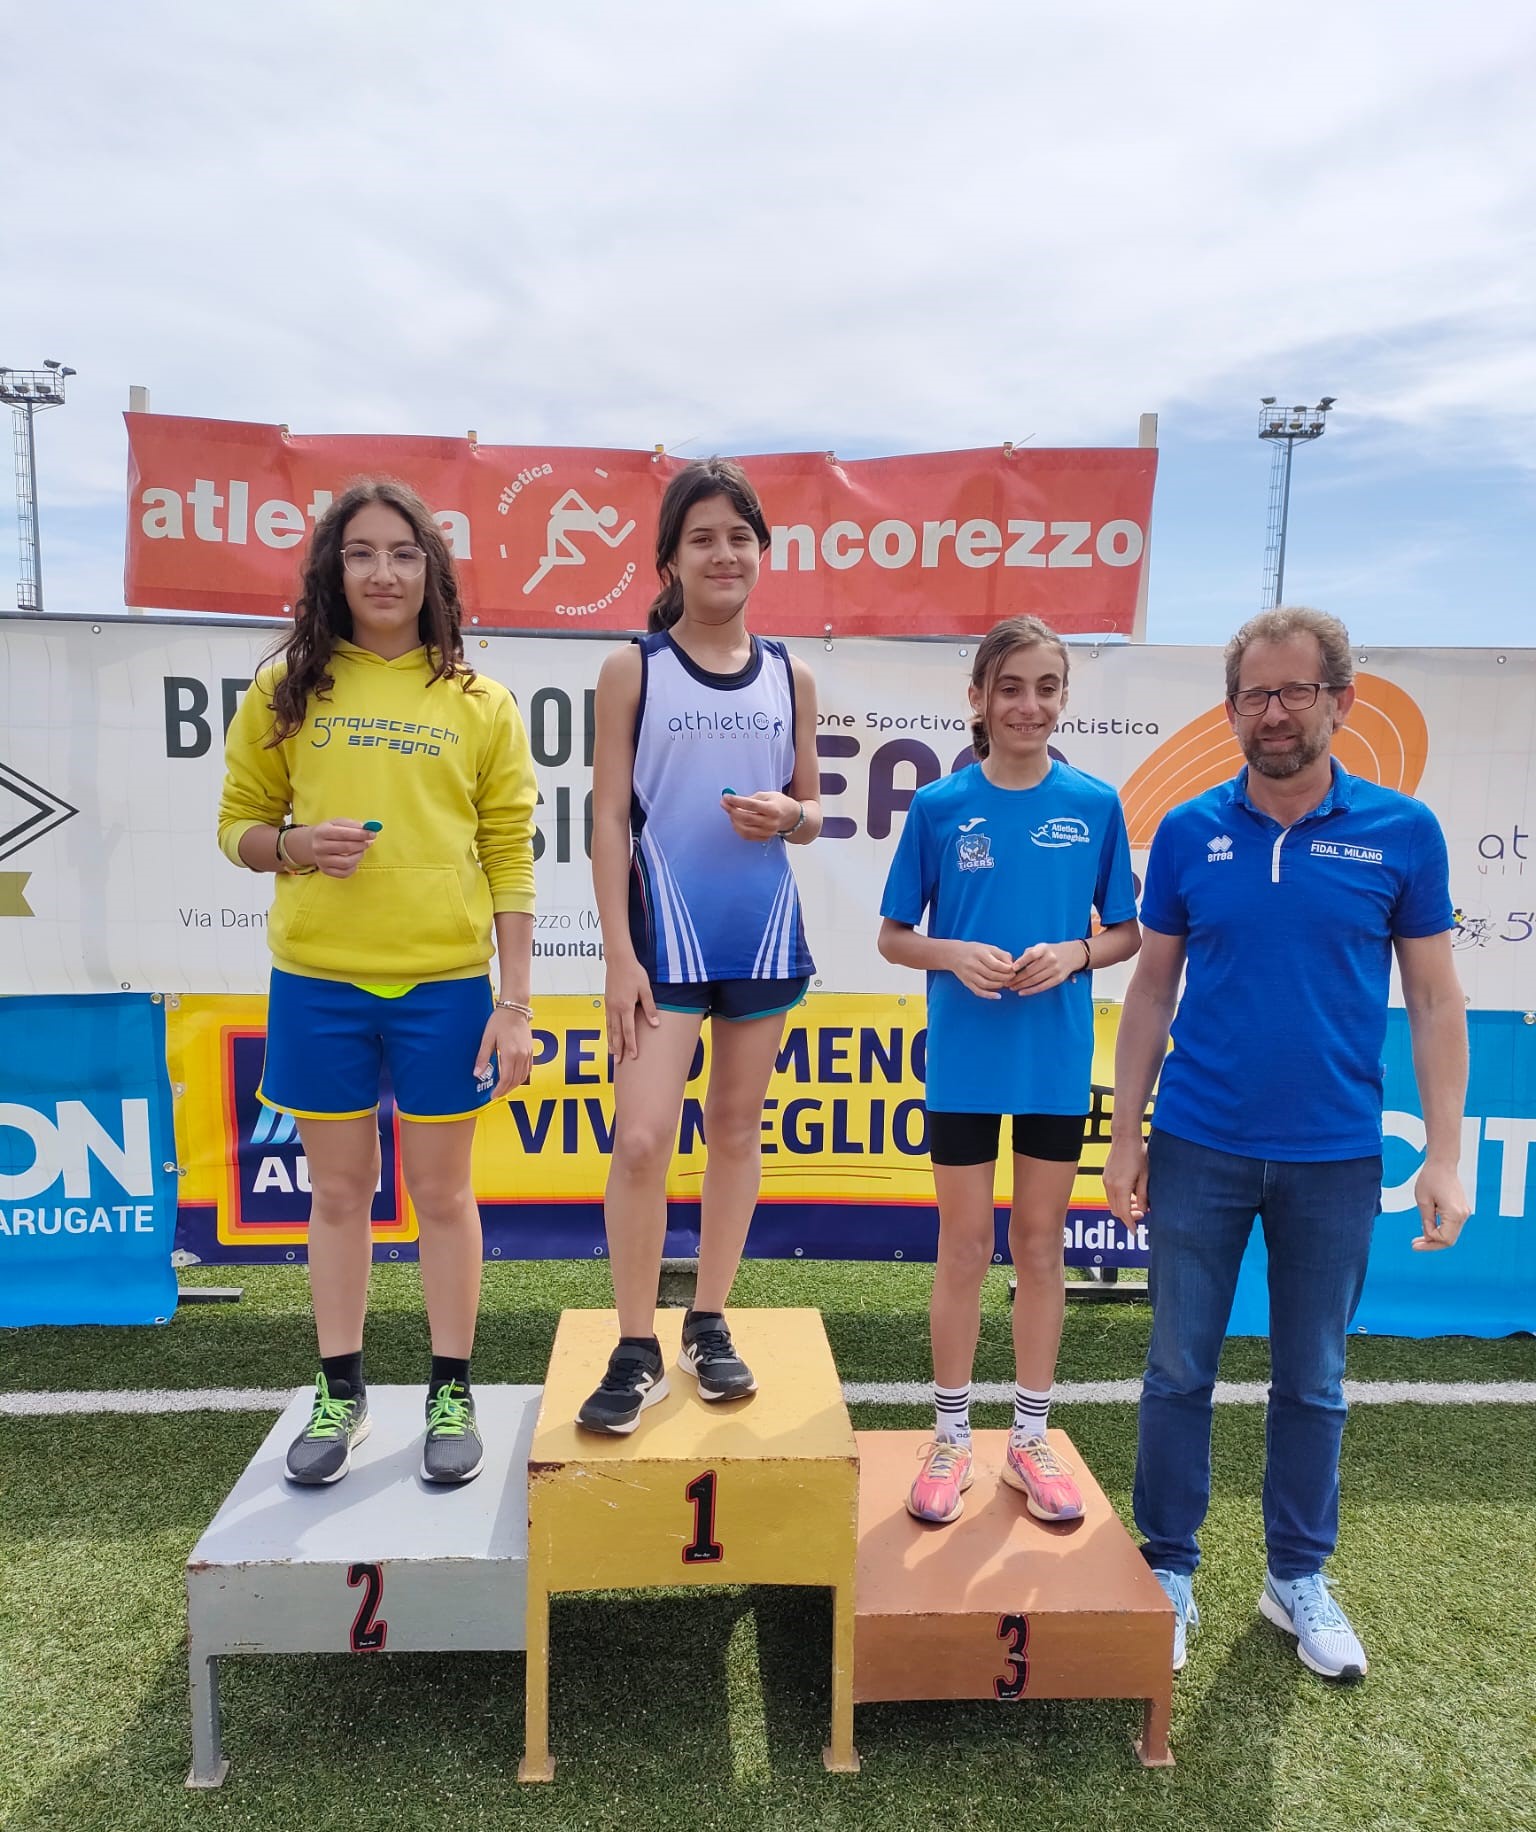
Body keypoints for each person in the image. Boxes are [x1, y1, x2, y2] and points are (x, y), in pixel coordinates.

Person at [1104, 606, 1470, 1679]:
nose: (1273, 712)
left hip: (1336, 1155)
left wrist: (1444, 1154)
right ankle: (1168, 1567)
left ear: (1339, 701)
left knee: (1313, 1379)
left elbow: (1436, 999)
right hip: (1199, 1144)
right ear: (1231, 710)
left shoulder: (1403, 831)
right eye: (1253, 695)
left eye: (1294, 691)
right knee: (1178, 1369)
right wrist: (1126, 1135)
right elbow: (1151, 990)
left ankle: (1296, 1576)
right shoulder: (1187, 830)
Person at [218, 478, 537, 1485]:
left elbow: (510, 854)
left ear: (432, 570)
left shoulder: (480, 702)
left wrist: (515, 1002)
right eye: (361, 552)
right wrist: (295, 844)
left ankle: (451, 1389)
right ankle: (340, 1391)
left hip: (445, 986)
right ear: (333, 568)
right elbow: (237, 827)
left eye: (403, 553)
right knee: (340, 1191)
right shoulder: (287, 690)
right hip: (320, 982)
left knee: (442, 1194)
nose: (384, 572)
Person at [878, 616, 1141, 1524]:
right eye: (1011, 688)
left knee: (1039, 1244)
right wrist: (952, 953)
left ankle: (1029, 1438)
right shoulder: (939, 806)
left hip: (1053, 1061)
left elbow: (1127, 931)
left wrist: (1077, 952)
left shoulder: (1095, 804)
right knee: (962, 1246)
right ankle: (950, 1437)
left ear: (1064, 697)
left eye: (1046, 687)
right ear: (979, 699)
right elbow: (894, 937)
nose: (1030, 705)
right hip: (964, 1059)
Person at [578, 458, 822, 1433]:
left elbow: (812, 809)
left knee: (734, 1130)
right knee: (642, 1138)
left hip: (759, 931)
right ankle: (636, 1344)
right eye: (703, 537)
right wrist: (617, 953)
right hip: (660, 940)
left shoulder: (792, 674)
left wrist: (791, 815)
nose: (724, 554)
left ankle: (708, 1322)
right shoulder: (633, 668)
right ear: (671, 559)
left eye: (739, 537)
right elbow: (607, 816)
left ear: (763, 551)